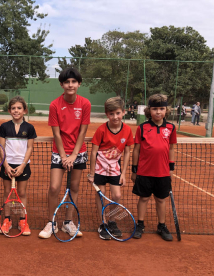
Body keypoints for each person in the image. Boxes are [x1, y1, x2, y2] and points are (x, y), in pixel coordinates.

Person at [38, 67, 91, 239]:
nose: (70, 85)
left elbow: (82, 133)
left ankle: (68, 223)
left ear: (79, 83)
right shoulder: (55, 105)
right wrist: (63, 157)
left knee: (74, 187)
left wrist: (74, 156)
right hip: (59, 152)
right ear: (61, 84)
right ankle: (51, 222)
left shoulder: (85, 104)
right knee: (54, 187)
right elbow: (56, 133)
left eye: (73, 81)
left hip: (79, 152)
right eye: (67, 82)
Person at [131, 93, 177, 241]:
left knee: (161, 199)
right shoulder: (142, 128)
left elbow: (171, 149)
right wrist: (134, 170)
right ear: (149, 110)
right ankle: (140, 224)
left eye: (161, 108)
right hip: (144, 171)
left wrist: (171, 169)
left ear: (166, 110)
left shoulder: (171, 127)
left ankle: (161, 225)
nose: (158, 112)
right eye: (155, 109)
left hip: (163, 172)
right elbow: (136, 149)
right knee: (143, 198)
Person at [87, 96, 134, 240]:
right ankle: (103, 223)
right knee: (101, 195)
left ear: (124, 112)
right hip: (100, 168)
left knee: (117, 196)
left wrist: (123, 173)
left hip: (115, 168)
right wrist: (91, 172)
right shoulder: (101, 130)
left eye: (118, 113)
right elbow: (94, 152)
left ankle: (112, 221)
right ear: (107, 114)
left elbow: (127, 152)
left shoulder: (127, 130)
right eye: (111, 114)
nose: (115, 117)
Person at [0, 96, 37, 236]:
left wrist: (22, 166)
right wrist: (6, 166)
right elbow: (0, 148)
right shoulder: (4, 127)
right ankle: (7, 221)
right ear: (9, 111)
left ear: (24, 110)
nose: (16, 110)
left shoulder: (29, 128)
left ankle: (22, 221)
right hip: (7, 165)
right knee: (7, 193)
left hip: (23, 165)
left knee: (21, 193)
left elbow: (30, 148)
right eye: (13, 108)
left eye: (19, 108)